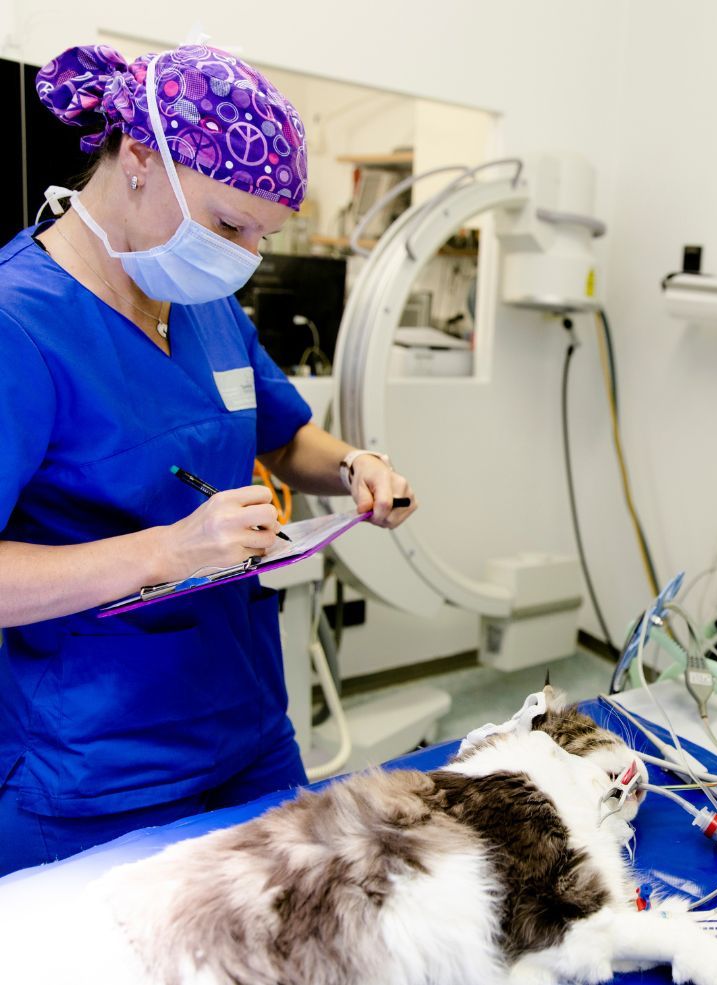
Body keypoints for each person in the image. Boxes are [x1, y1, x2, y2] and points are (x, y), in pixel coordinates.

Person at [0, 43, 418, 876]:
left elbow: (281, 433)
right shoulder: (20, 326)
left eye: (264, 235)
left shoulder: (203, 303)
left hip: (248, 725)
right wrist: (168, 550)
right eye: (229, 225)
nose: (245, 256)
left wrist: (351, 467)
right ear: (141, 159)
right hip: (98, 767)